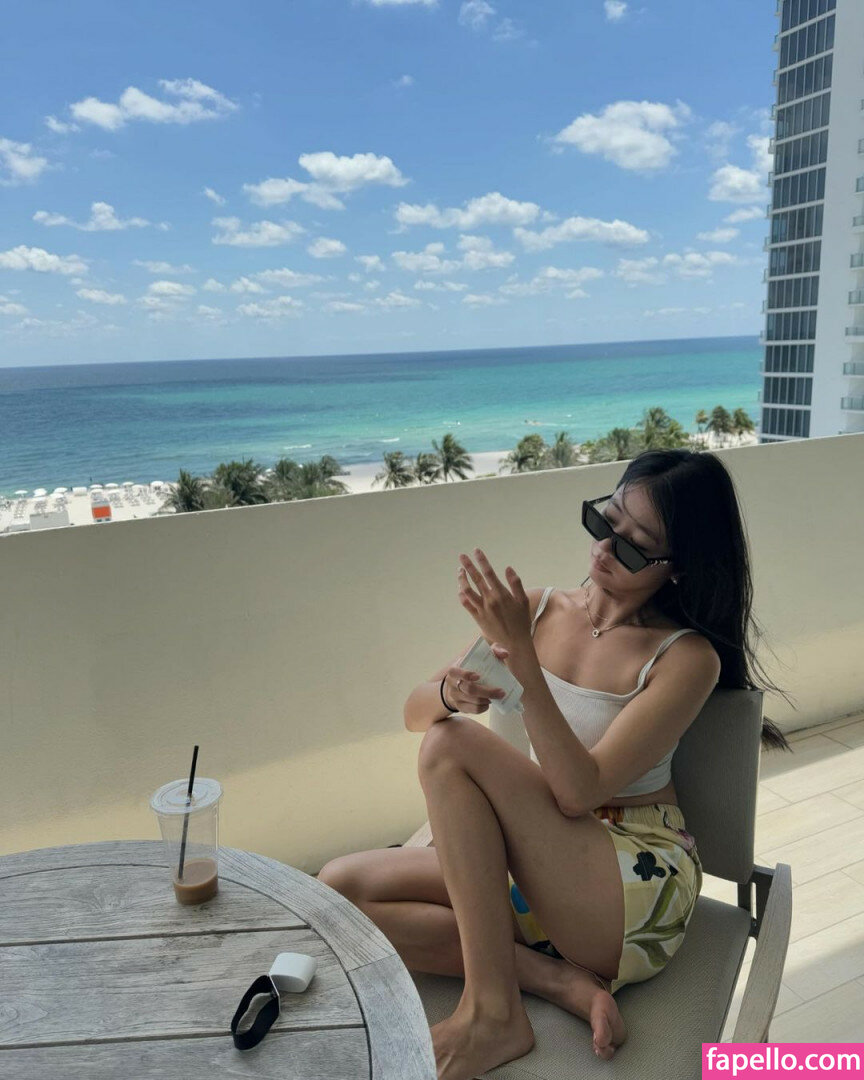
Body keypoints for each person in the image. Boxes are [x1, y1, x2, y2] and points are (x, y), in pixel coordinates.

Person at [317, 447, 792, 1080]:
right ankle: (554, 980)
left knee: (452, 745)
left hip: (629, 882)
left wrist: (522, 660)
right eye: (606, 520)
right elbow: (414, 713)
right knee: (339, 891)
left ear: (678, 568)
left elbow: (578, 791)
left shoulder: (685, 658)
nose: (605, 549)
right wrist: (450, 693)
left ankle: (492, 1014)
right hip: (534, 859)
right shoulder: (538, 612)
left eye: (634, 547)